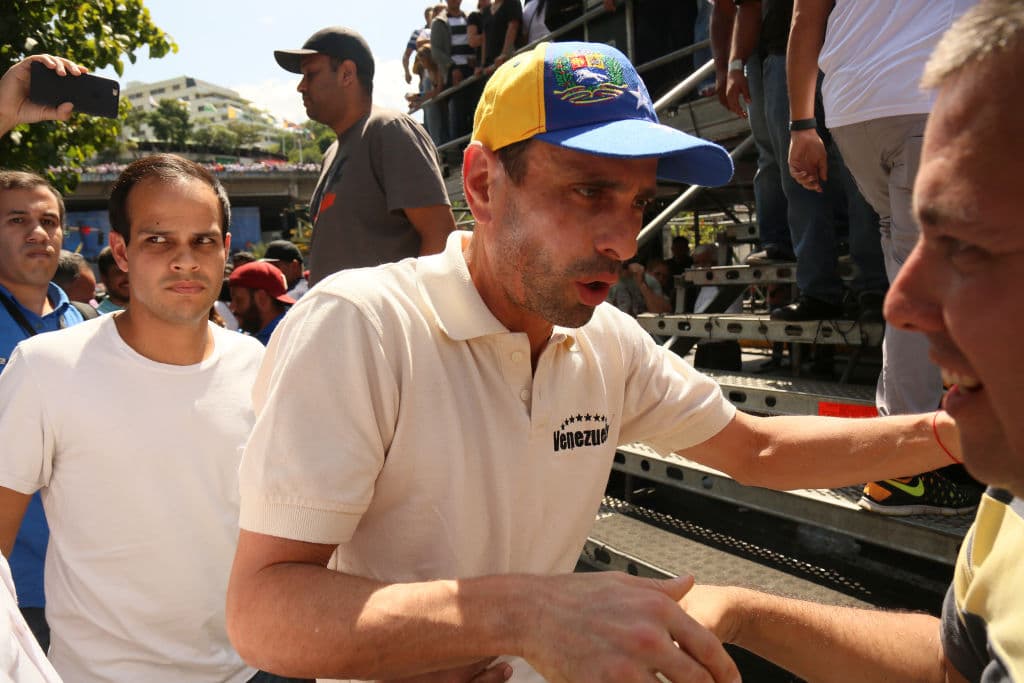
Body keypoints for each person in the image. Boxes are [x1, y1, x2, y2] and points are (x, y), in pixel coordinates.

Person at [226, 41, 960, 683]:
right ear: (481, 184)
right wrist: (516, 613)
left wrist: (951, 433)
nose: (623, 241)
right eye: (587, 191)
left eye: (639, 201)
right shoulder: (361, 325)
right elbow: (261, 610)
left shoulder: (607, 339)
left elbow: (757, 447)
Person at [684, 5, 1024, 680]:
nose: (902, 303)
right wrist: (742, 612)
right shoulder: (1005, 506)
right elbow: (955, 663)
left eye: (967, 246)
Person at [0, 154, 274, 683]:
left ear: (224, 250)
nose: (185, 261)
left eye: (203, 240)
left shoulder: (260, 367)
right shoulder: (44, 369)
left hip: (250, 670)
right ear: (121, 251)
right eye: (159, 240)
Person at [788, 0, 976, 514]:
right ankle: (905, 466)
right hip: (928, 98)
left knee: (912, 272)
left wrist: (802, 123)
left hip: (854, 110)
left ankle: (913, 451)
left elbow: (806, 20)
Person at [0, 54, 91, 678]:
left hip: (85, 592)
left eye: (49, 220)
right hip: (10, 589)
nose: (39, 233)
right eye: (16, 220)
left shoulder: (88, 328)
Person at [275, 26, 456, 285]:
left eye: (311, 74)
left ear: (347, 73)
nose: (301, 87)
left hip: (387, 324)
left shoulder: (389, 129)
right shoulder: (332, 153)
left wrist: (412, 320)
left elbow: (440, 238)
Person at [228, 260, 295, 345]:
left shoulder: (285, 342)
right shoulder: (287, 332)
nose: (232, 307)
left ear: (261, 298)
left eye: (239, 300)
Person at [95, 245, 129, 313]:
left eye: (133, 271)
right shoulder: (97, 318)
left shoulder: (152, 313)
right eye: (120, 272)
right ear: (104, 277)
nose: (128, 277)